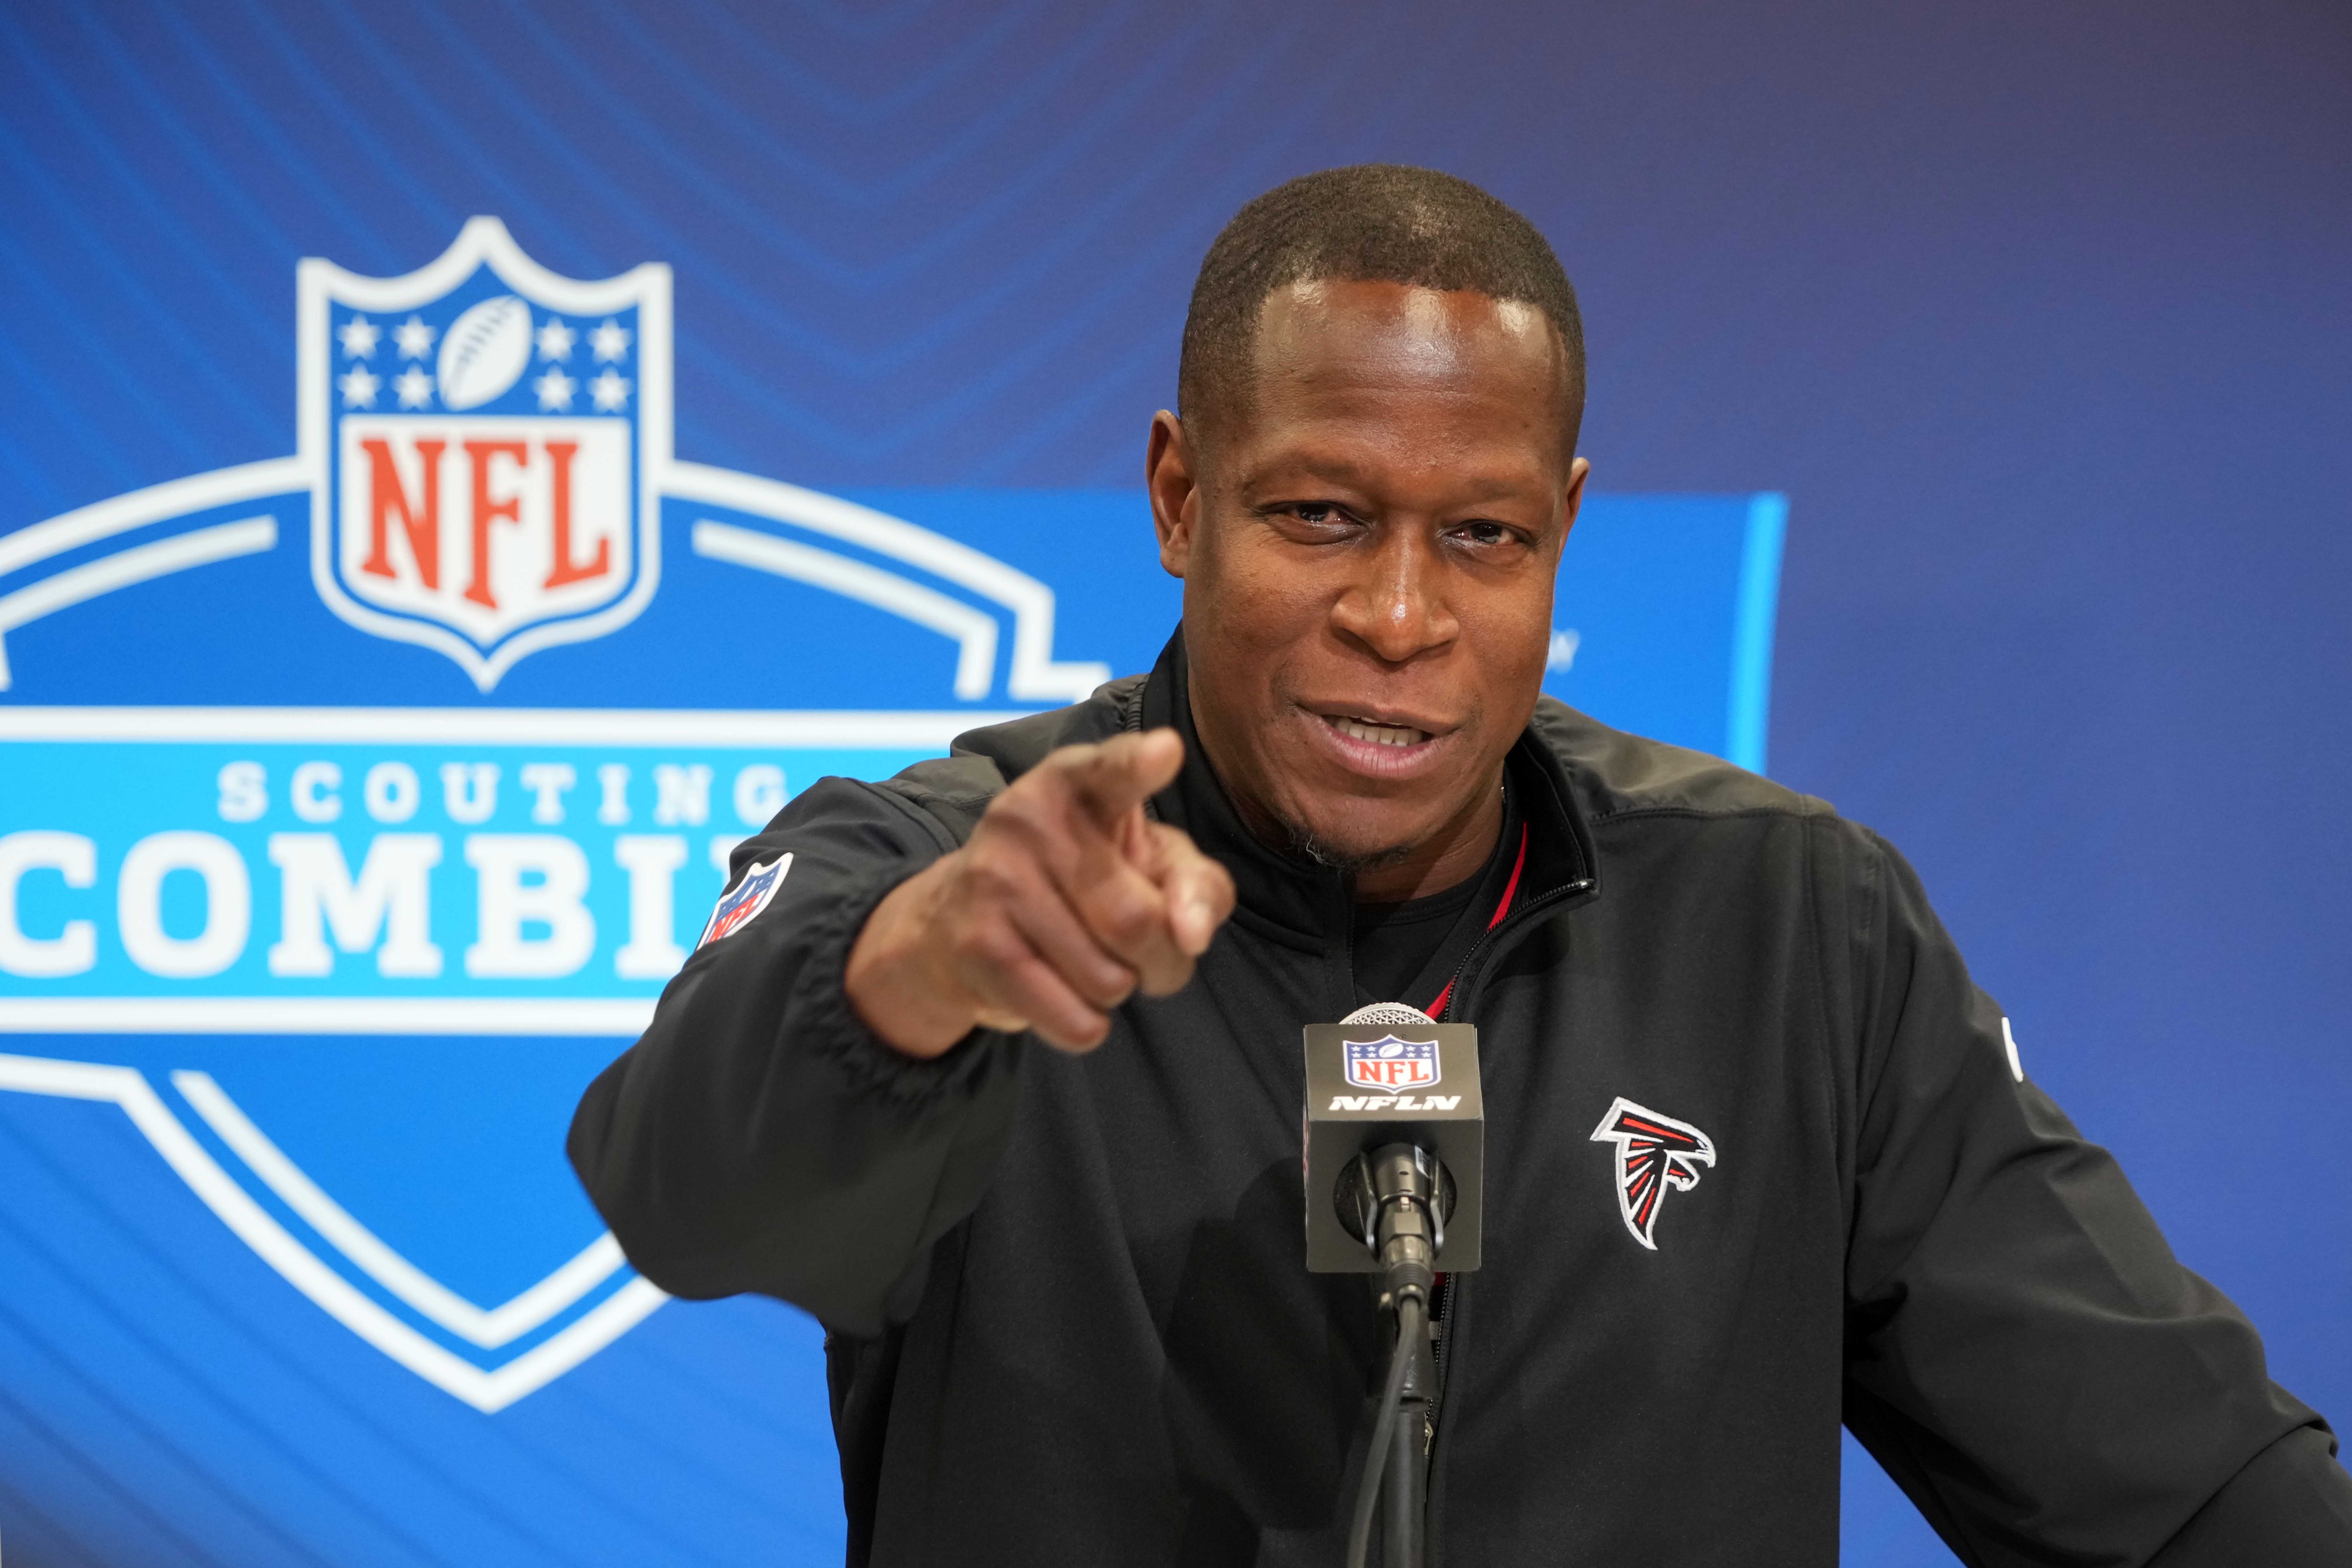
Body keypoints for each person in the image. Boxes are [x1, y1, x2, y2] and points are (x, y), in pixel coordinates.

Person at [569, 165, 2352, 1565]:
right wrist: (916, 980)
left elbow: (2182, 1491)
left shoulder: (1790, 928)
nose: (1402, 615)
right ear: (1180, 496)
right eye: (1319, 515)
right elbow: (684, 1193)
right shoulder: (955, 874)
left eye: (1483, 535)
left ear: (1562, 526)